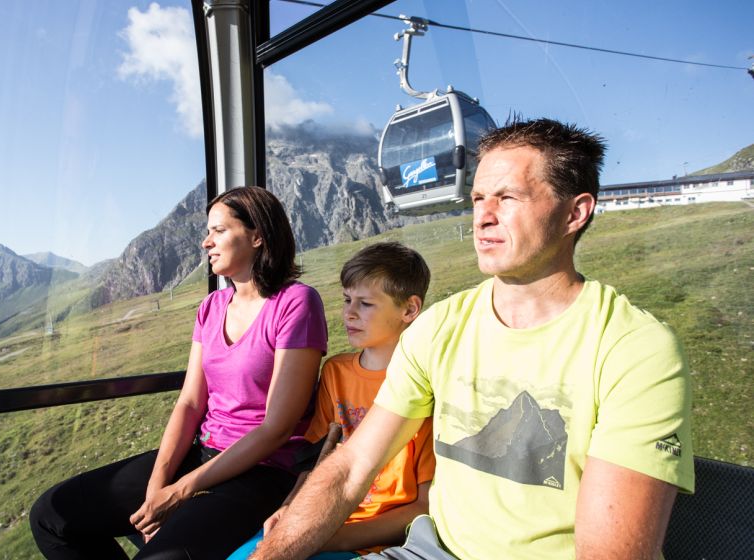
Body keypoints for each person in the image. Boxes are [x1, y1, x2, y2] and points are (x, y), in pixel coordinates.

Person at [250, 118, 695, 560]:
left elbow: (607, 553)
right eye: (479, 197)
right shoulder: (439, 327)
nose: (482, 216)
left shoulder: (635, 349)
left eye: (508, 197)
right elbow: (352, 468)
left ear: (574, 213)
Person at [30, 186, 328, 560]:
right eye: (208, 232)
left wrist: (182, 490)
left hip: (263, 471)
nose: (206, 242)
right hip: (204, 453)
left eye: (218, 230)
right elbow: (190, 403)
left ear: (257, 236)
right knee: (52, 517)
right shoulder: (211, 307)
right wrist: (157, 486)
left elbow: (276, 428)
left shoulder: (296, 303)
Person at [228, 241, 435, 560]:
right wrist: (290, 508)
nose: (349, 313)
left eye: (365, 304)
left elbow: (422, 506)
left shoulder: (426, 385)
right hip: (318, 519)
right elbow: (316, 460)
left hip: (373, 540)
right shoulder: (336, 371)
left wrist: (334, 538)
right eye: (346, 299)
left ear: (409, 309)